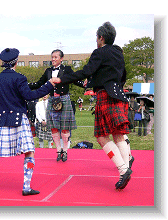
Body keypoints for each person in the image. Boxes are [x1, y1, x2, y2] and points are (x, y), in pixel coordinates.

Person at [53, 22, 132, 190]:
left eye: (97, 37)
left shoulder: (100, 52)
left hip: (105, 96)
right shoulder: (118, 52)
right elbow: (121, 74)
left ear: (101, 38)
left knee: (102, 137)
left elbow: (86, 71)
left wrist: (62, 79)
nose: (96, 40)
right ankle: (125, 169)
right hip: (119, 95)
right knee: (119, 134)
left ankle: (123, 169)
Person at [0, 48, 55, 196]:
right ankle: (26, 187)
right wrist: (49, 85)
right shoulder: (19, 78)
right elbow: (29, 95)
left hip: (3, 120)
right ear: (16, 61)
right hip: (19, 120)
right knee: (29, 153)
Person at [28, 49, 84, 162]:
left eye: (55, 57)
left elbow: (74, 79)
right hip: (52, 100)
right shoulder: (48, 71)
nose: (53, 59)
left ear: (61, 59)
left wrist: (85, 84)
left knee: (64, 128)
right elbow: (39, 83)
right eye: (52, 57)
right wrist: (25, 86)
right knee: (53, 127)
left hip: (64, 99)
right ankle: (58, 150)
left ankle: (65, 150)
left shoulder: (67, 69)